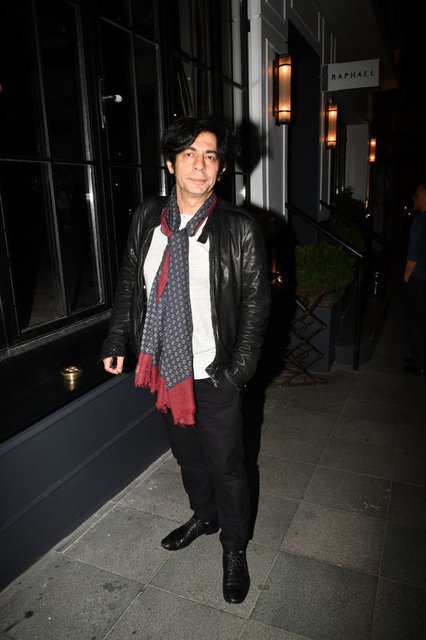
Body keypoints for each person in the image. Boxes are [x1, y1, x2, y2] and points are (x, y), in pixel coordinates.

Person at [100, 115, 271, 604]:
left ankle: (234, 547)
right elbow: (130, 281)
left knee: (228, 465)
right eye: (190, 154)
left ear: (220, 168)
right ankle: (204, 515)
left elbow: (257, 307)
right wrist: (116, 339)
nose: (200, 164)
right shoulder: (146, 218)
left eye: (210, 156)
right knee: (187, 456)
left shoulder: (239, 229)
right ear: (171, 163)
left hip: (215, 373)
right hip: (166, 367)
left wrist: (236, 373)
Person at [403, 181, 426, 376]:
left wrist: (406, 276)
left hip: (419, 279)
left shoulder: (420, 221)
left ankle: (419, 362)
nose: (414, 198)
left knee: (416, 321)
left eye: (417, 195)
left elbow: (414, 254)